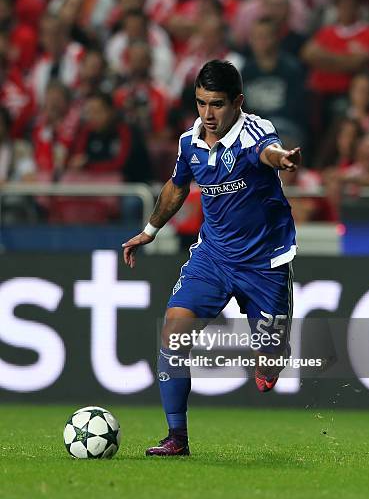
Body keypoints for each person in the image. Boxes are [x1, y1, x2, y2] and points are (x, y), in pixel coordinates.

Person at [122, 60, 301, 457]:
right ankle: (176, 438)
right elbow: (176, 186)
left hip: (264, 263)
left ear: (238, 101)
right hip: (214, 258)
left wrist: (282, 158)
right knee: (173, 332)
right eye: (201, 103)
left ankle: (271, 357)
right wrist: (149, 231)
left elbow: (268, 152)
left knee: (270, 361)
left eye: (217, 104)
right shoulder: (191, 142)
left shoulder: (257, 132)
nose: (208, 114)